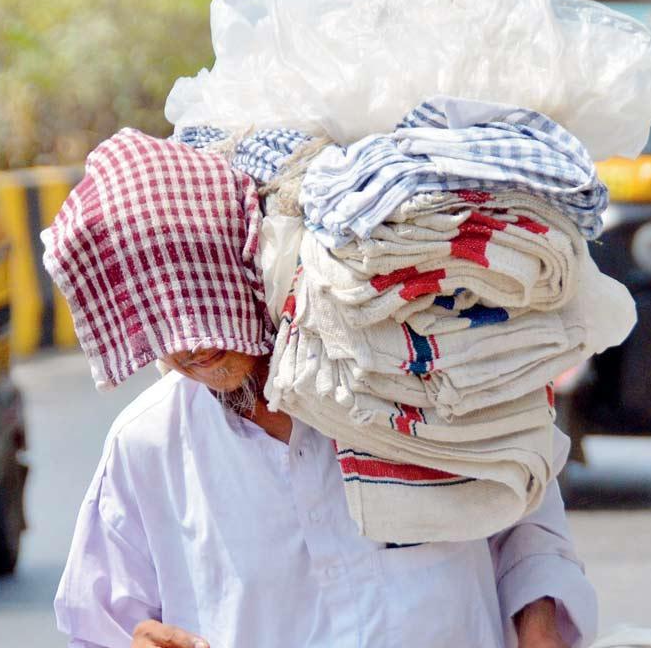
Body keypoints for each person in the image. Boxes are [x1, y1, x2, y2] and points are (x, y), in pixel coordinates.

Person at [44, 130, 595, 648]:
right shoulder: (147, 446)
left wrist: (539, 625)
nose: (188, 349)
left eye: (195, 311)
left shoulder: (409, 374)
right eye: (158, 325)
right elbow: (100, 625)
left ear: (238, 267)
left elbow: (526, 517)